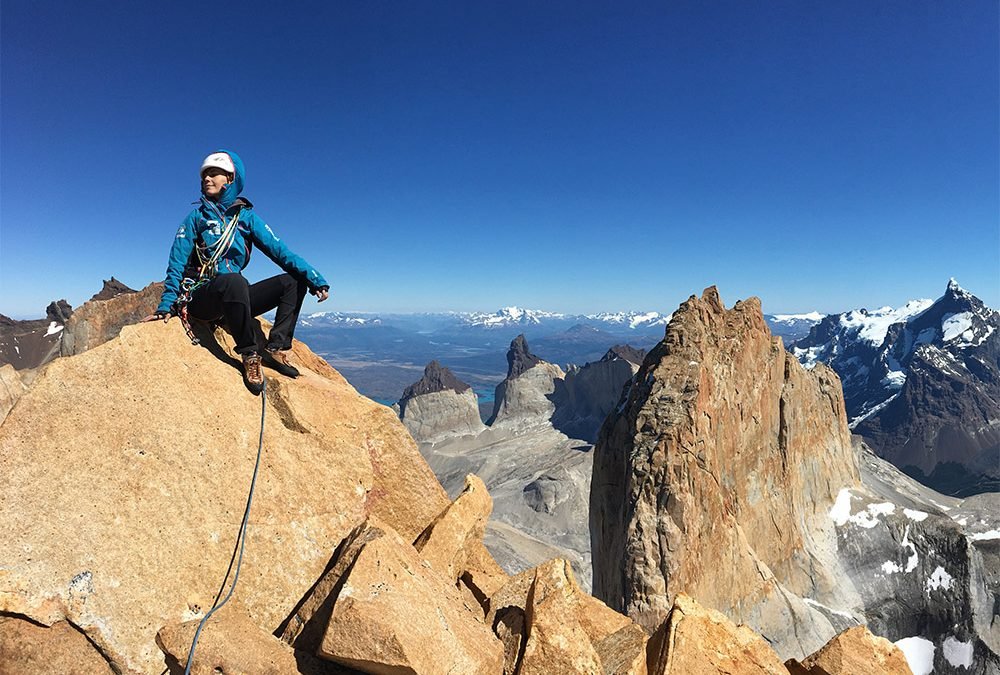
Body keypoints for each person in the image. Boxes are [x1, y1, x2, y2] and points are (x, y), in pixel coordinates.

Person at [144, 150, 329, 394]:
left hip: (233, 298)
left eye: (213, 174)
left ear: (230, 179)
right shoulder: (196, 218)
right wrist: (166, 305)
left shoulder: (246, 218)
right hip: (203, 297)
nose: (206, 179)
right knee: (234, 282)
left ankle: (276, 348)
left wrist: (314, 278)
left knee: (293, 281)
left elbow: (280, 251)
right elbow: (176, 261)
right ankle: (250, 354)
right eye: (204, 176)